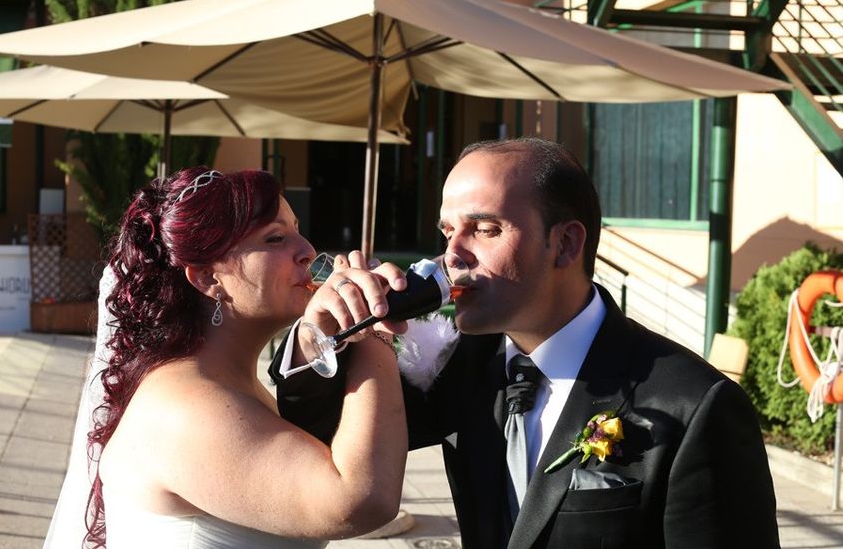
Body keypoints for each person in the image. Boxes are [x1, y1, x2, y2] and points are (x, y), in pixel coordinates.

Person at [271, 137, 780, 548]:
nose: (452, 257)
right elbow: (314, 436)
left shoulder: (696, 405)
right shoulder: (459, 369)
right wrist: (319, 336)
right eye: (448, 231)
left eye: (484, 230)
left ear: (566, 243)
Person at [46, 167, 409, 549]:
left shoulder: (227, 384)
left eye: (297, 229)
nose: (307, 250)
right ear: (207, 278)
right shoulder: (184, 409)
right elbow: (361, 501)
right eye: (275, 238)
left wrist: (322, 335)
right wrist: (374, 323)